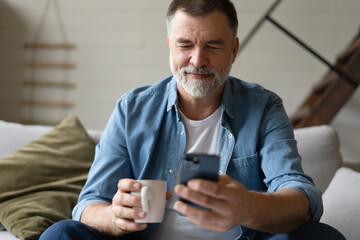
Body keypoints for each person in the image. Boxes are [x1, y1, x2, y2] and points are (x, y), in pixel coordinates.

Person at [40, 0, 345, 239]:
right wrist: (114, 217)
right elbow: (89, 202)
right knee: (60, 234)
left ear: (234, 50)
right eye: (185, 45)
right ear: (170, 47)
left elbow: (302, 195)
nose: (198, 60)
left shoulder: (264, 106)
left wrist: (248, 206)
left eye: (213, 45)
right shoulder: (132, 109)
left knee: (322, 236)